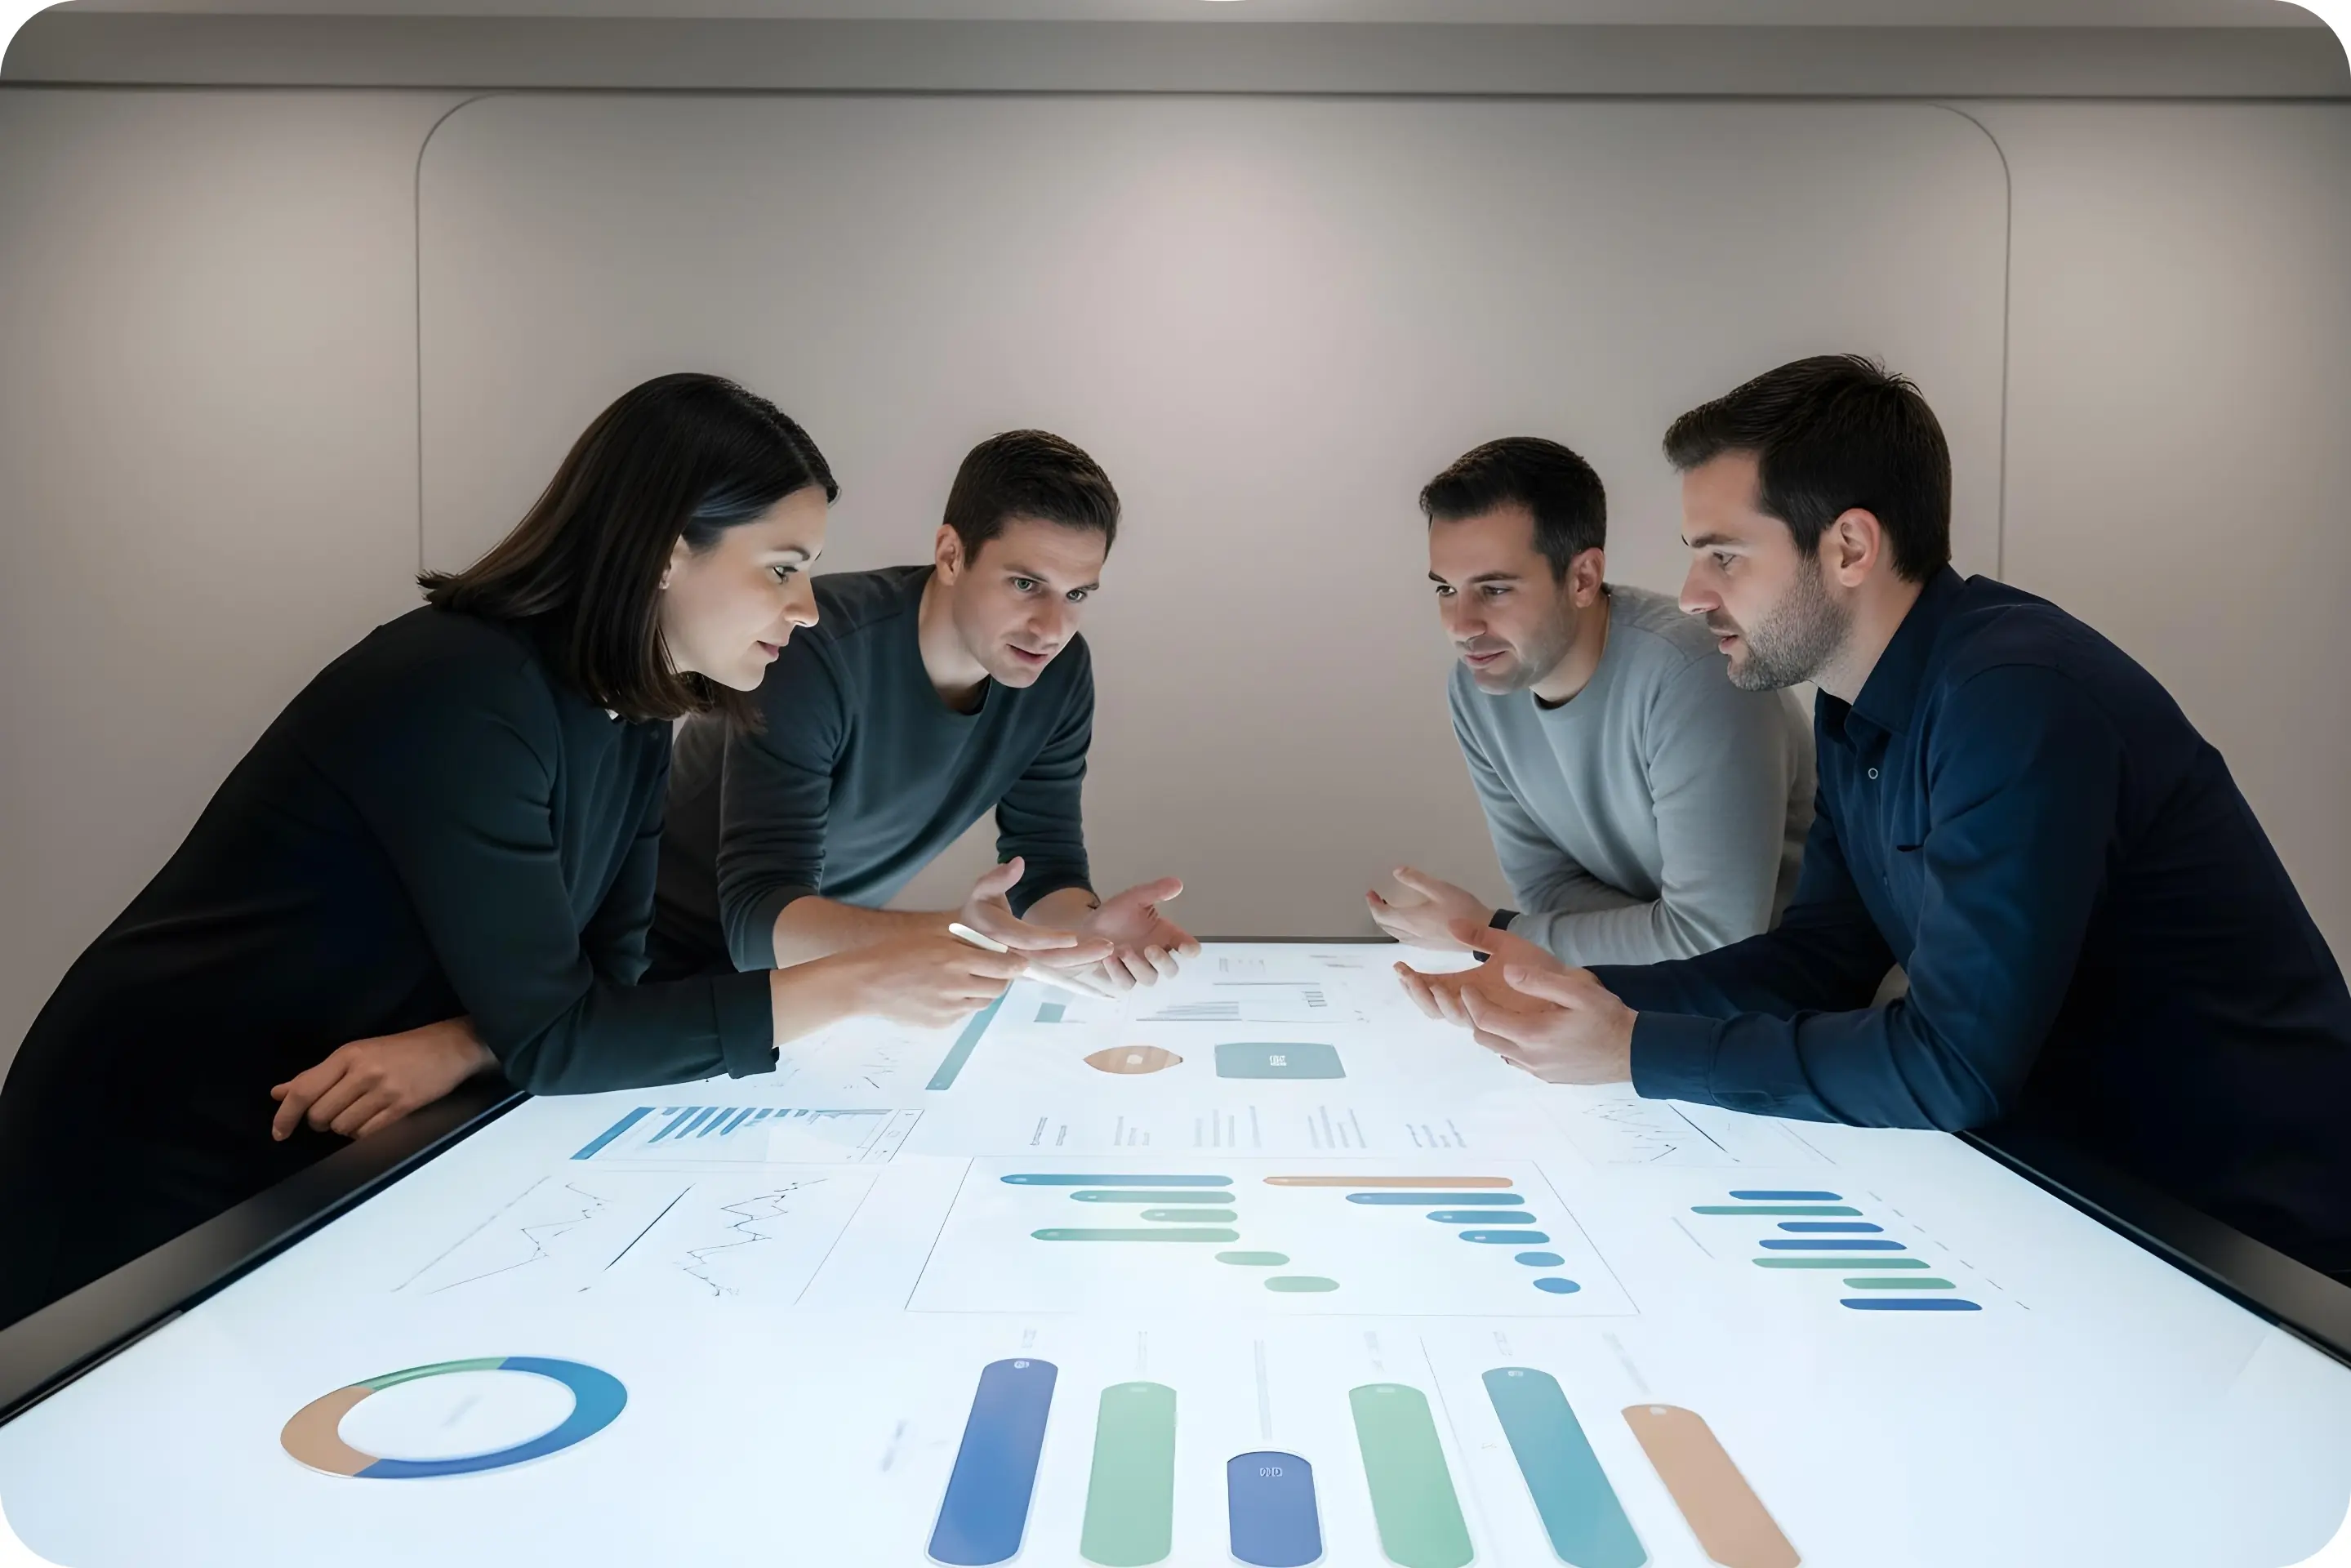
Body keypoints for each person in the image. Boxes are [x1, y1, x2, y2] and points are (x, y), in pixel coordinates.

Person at [0, 374, 1026, 1330]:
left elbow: (603, 988)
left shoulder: (630, 715)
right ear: (667, 551)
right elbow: (564, 1037)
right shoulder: (462, 690)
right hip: (152, 1132)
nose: (805, 608)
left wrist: (468, 1040)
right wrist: (859, 981)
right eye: (782, 568)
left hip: (323, 1116)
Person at [1400, 354, 2351, 1277]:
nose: (1692, 595)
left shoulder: (2014, 698)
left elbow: (1953, 1063)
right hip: (2087, 1186)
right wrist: (1581, 993)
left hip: (2249, 1234)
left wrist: (1636, 1051)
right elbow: (1819, 960)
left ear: (1849, 548)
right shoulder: (1852, 703)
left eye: (1723, 556)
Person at [649, 429, 1197, 995]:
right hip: (651, 972)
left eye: (1076, 594)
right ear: (951, 555)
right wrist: (963, 938)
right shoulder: (813, 648)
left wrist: (1085, 933)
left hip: (816, 982)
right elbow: (755, 925)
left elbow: (1046, 868)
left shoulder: (1056, 673)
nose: (1052, 629)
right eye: (1025, 584)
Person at [1367, 437, 1812, 965]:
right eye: (1445, 590)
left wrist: (1493, 934)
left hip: (1794, 990)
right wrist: (1650, 932)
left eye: (1495, 589)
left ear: (1582, 578)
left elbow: (1714, 938)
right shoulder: (1478, 690)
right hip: (1646, 992)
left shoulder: (1695, 675)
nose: (1462, 627)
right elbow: (1548, 890)